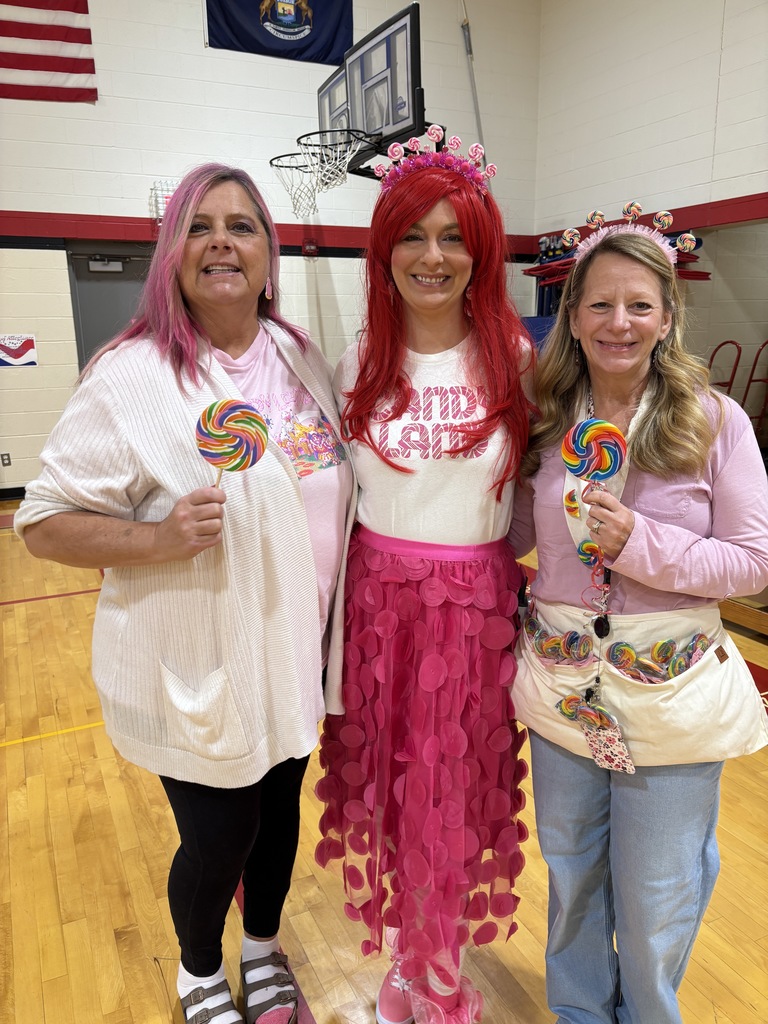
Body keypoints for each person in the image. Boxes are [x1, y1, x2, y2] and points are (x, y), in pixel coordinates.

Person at [14, 164, 355, 1024]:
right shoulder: (130, 375)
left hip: (296, 650)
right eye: (199, 226)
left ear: (270, 253)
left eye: (242, 226)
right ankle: (201, 970)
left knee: (280, 818)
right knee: (218, 839)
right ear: (172, 254)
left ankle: (264, 950)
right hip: (200, 659)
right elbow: (44, 520)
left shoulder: (301, 357)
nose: (221, 242)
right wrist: (158, 537)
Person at [508, 213, 768, 1024]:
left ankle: (650, 1015)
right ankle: (582, 1012)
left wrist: (643, 544)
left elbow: (755, 563)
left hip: (673, 694)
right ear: (572, 314)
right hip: (561, 689)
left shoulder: (716, 422)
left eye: (640, 306)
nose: (620, 324)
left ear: (667, 316)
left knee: (658, 890)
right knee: (574, 869)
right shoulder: (547, 421)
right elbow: (512, 531)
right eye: (600, 306)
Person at [313, 128, 534, 1024]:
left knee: (452, 801)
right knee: (394, 795)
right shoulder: (353, 359)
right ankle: (411, 960)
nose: (432, 256)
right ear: (385, 248)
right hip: (377, 611)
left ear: (480, 246)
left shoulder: (518, 362)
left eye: (453, 235)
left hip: (472, 613)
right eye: (412, 234)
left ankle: (440, 981)